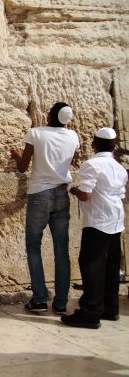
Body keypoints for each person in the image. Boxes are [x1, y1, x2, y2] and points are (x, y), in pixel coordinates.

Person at [10, 102, 79, 314]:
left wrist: (15, 155)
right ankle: (60, 303)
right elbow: (71, 160)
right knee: (61, 249)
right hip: (62, 193)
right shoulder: (74, 136)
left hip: (39, 193)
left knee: (33, 246)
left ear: (52, 116)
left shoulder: (36, 133)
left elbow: (23, 166)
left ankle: (39, 299)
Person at [62, 128, 127, 329]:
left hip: (98, 220)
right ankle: (110, 308)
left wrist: (74, 190)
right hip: (116, 220)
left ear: (93, 144)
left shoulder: (92, 165)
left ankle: (90, 312)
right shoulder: (120, 168)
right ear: (114, 146)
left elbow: (86, 195)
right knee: (111, 266)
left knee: (91, 265)